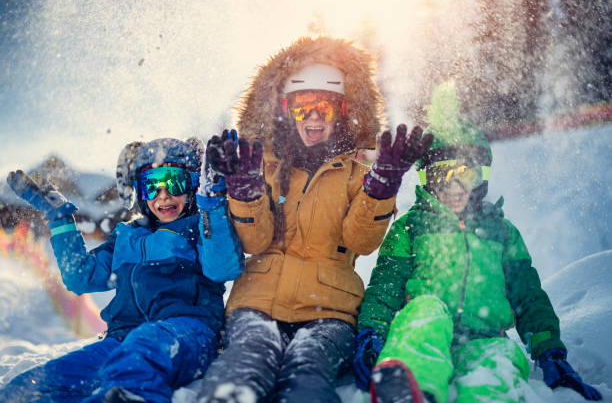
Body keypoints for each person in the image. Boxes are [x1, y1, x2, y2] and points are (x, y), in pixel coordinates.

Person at [196, 36, 432, 403]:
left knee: (308, 370)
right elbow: (255, 243)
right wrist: (244, 194)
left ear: (344, 111)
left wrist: (381, 188)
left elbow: (360, 241)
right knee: (245, 364)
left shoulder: (357, 174)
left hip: (330, 309)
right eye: (303, 107)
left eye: (326, 106)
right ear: (285, 109)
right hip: (258, 302)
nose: (315, 117)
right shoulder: (263, 165)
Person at [353, 84, 603, 402]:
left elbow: (529, 296)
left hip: (485, 335)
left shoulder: (501, 232)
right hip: (427, 327)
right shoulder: (410, 227)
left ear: (480, 177)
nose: (455, 186)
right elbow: (385, 287)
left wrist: (550, 351)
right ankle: (412, 387)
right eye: (442, 174)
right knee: (423, 315)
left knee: (499, 362)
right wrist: (371, 333)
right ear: (427, 179)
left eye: (465, 174)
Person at [1, 137, 245, 403]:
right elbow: (81, 277)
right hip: (123, 340)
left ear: (193, 183)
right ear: (139, 192)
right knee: (32, 388)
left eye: (174, 182)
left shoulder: (199, 228)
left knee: (140, 353)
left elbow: (223, 268)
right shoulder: (127, 237)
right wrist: (60, 218)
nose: (163, 195)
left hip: (187, 334)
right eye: (151, 186)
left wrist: (212, 202)